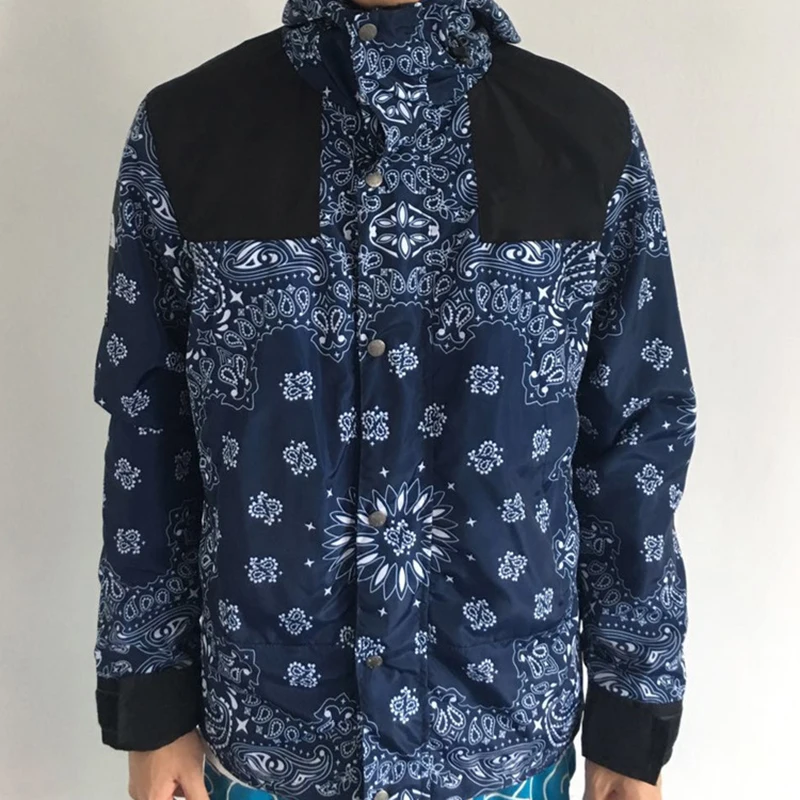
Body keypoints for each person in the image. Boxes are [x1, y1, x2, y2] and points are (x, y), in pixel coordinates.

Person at [91, 1, 697, 799]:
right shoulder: (190, 131)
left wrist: (632, 718)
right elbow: (148, 431)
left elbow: (637, 439)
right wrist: (152, 706)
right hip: (268, 744)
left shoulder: (582, 136)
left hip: (506, 745)